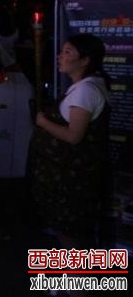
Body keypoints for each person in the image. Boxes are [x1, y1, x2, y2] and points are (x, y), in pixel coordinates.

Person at [30, 33, 111, 250]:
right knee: (72, 232)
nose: (60, 56)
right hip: (69, 176)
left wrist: (43, 122)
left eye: (67, 52)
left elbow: (74, 136)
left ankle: (77, 271)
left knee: (70, 234)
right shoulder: (84, 86)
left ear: (85, 60)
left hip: (73, 178)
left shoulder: (85, 91)